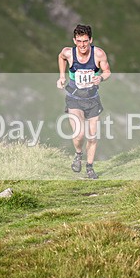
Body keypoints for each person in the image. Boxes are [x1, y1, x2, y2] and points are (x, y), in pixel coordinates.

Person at [56, 24, 111, 179]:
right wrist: (62, 76)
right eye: (79, 41)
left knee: (92, 137)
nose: (82, 45)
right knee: (79, 134)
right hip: (74, 98)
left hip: (92, 99)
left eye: (85, 41)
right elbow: (61, 57)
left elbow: (107, 71)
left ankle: (90, 167)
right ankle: (79, 154)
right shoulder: (69, 53)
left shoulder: (98, 54)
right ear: (74, 40)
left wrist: (100, 77)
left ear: (90, 40)